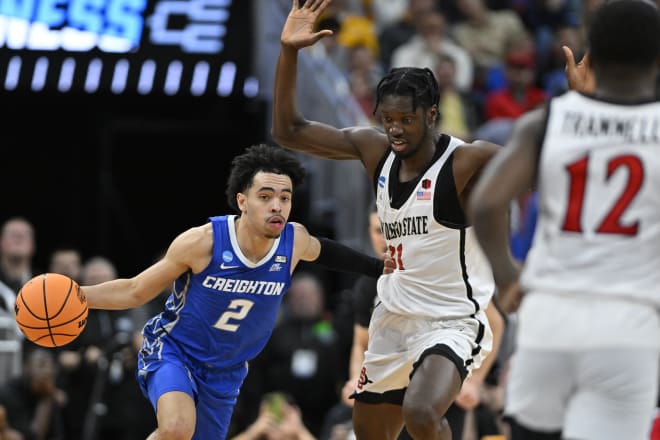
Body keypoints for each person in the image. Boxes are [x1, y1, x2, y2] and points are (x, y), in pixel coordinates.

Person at [272, 2, 500, 439]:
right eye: (388, 119)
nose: (395, 129)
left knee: (420, 412)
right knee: (369, 432)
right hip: (392, 317)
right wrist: (288, 53)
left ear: (432, 114)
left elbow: (536, 165)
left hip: (451, 320)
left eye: (406, 120)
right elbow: (289, 131)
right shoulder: (374, 150)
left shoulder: (466, 161)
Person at [81, 144, 394, 440]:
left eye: (285, 198)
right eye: (266, 196)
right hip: (176, 351)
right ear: (243, 201)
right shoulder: (204, 242)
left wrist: (382, 268)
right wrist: (79, 296)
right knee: (177, 428)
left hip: (226, 370)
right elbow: (136, 290)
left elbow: (330, 253)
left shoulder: (293, 242)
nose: (277, 206)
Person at [468, 1, 660, 439]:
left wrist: (506, 275)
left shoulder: (549, 121)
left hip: (550, 314)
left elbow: (485, 203)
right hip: (628, 324)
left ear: (594, 50)